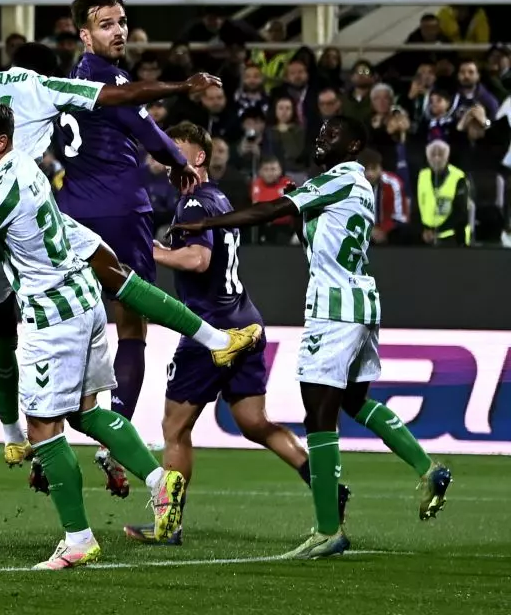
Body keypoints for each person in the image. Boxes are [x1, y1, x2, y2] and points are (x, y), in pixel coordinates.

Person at [0, 39, 246, 470]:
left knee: (0, 324)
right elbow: (120, 95)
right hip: (20, 210)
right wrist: (181, 86)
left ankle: (12, 436)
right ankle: (215, 340)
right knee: (114, 273)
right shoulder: (43, 87)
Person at [0, 99, 189, 569]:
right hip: (83, 298)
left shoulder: (2, 187)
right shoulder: (24, 167)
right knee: (85, 413)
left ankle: (79, 539)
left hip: (52, 314)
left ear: (1, 142)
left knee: (42, 426)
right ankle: (160, 481)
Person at [171, 116, 452, 559]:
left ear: (354, 145)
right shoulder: (358, 185)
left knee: (319, 416)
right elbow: (312, 234)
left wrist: (206, 223)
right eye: (320, 132)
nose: (322, 137)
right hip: (362, 302)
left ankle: (327, 530)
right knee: (354, 401)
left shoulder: (337, 179)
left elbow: (270, 210)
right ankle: (427, 467)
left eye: (333, 133)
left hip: (334, 308)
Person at [125, 123, 349, 545]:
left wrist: (150, 252)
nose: (167, 157)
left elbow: (198, 259)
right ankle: (325, 485)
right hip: (246, 319)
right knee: (253, 422)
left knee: (174, 428)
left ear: (199, 158)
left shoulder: (194, 202)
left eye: (176, 149)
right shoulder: (219, 198)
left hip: (211, 329)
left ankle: (168, 524)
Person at [55, 0, 210, 494]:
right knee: (132, 326)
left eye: (122, 21)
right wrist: (181, 162)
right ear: (84, 34)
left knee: (72, 325)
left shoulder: (66, 81)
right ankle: (115, 434)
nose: (118, 31)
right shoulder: (111, 79)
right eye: (106, 24)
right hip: (121, 211)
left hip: (71, 212)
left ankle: (48, 435)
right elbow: (150, 134)